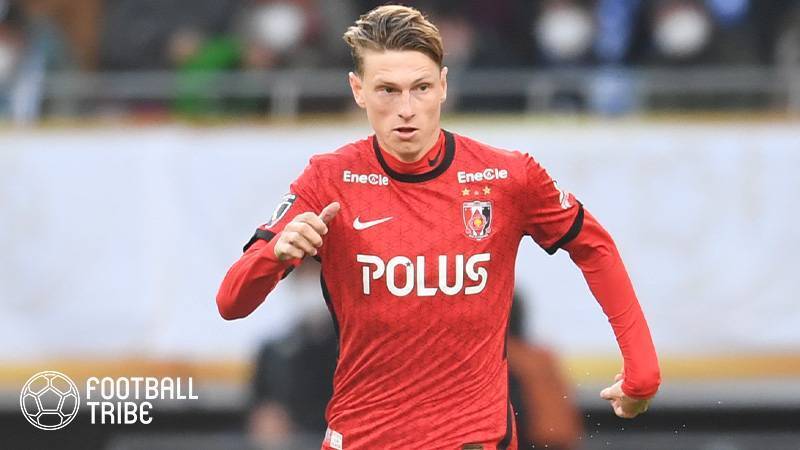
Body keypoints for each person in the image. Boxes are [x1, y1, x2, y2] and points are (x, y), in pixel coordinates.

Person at [217, 5, 660, 449]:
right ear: (358, 91)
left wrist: (642, 369)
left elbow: (593, 245)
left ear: (444, 85)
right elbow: (231, 302)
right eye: (387, 91)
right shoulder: (328, 179)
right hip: (362, 438)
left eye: (421, 88)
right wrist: (274, 256)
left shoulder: (507, 176)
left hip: (473, 439)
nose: (406, 109)